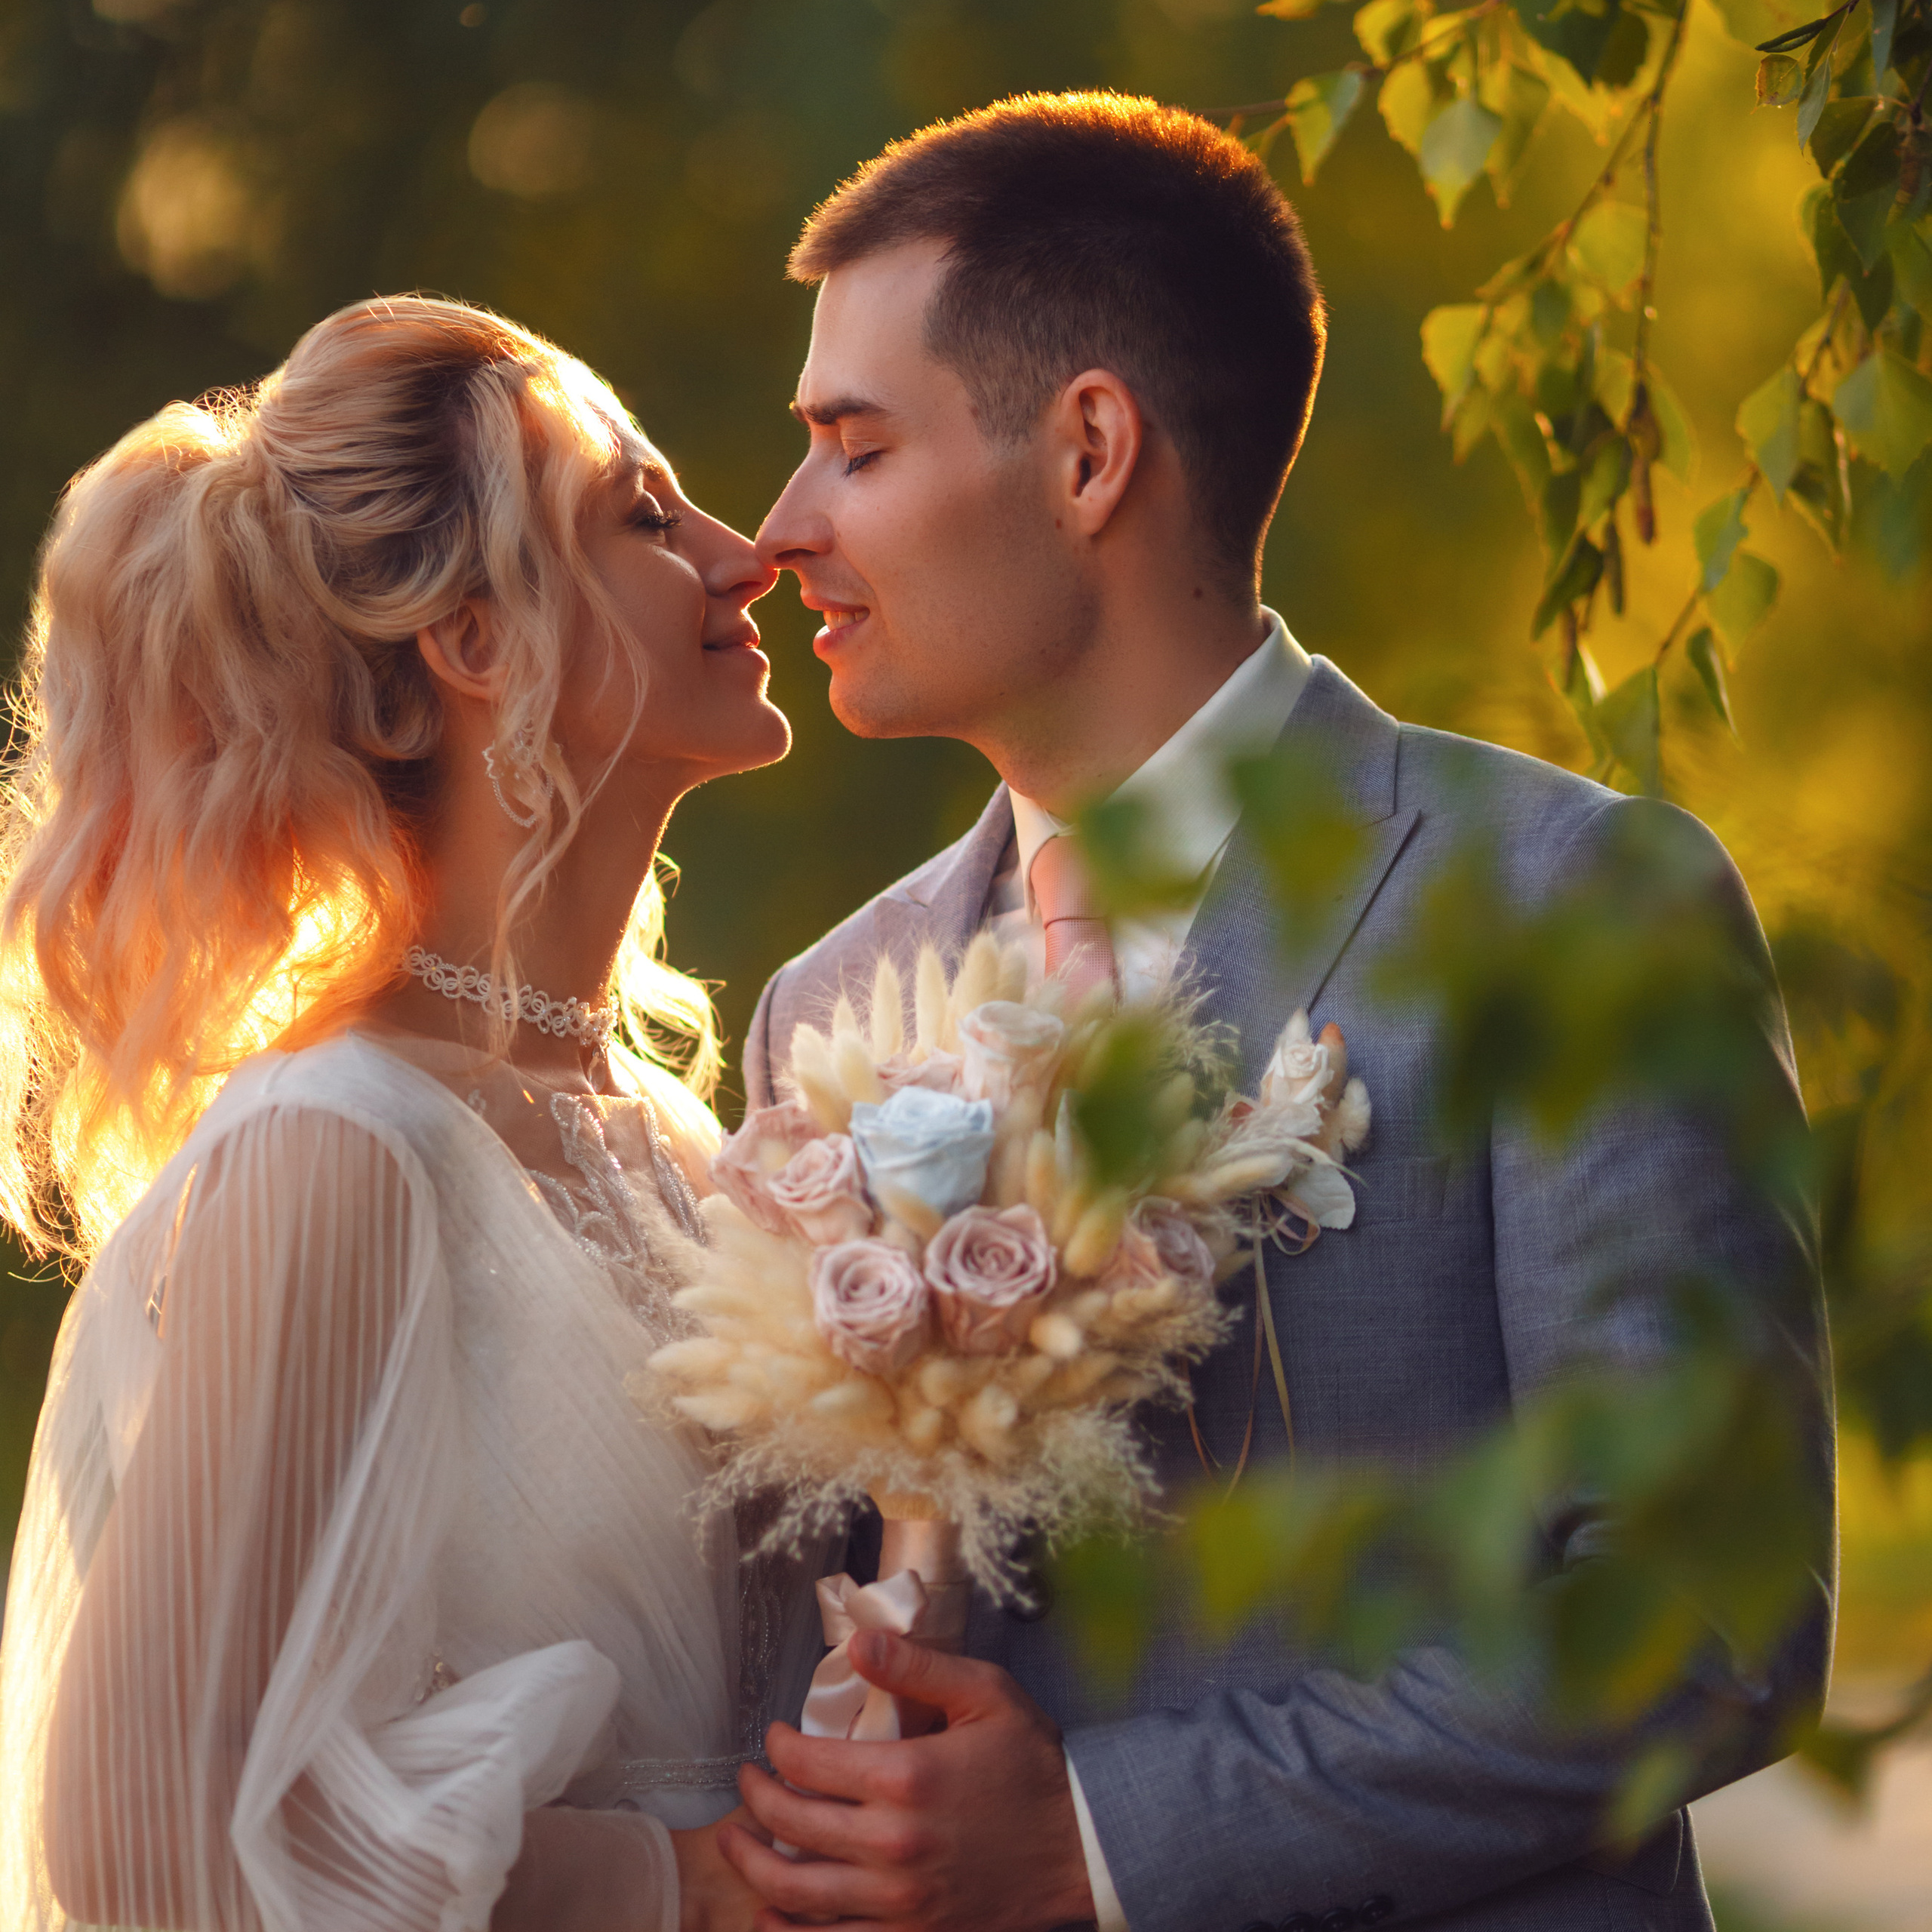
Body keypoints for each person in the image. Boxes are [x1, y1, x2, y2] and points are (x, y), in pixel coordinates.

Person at [721, 93, 1835, 1932]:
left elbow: (1704, 1612)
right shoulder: (825, 1005)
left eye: (851, 446)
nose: (781, 531)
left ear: (1087, 451)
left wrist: (1098, 1836)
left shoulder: (1570, 903)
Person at [0, 295, 821, 1932]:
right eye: (640, 516)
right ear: (474, 644)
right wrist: (681, 1883)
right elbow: (146, 1833)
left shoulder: (670, 1134)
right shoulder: (339, 1145)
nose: (748, 555)